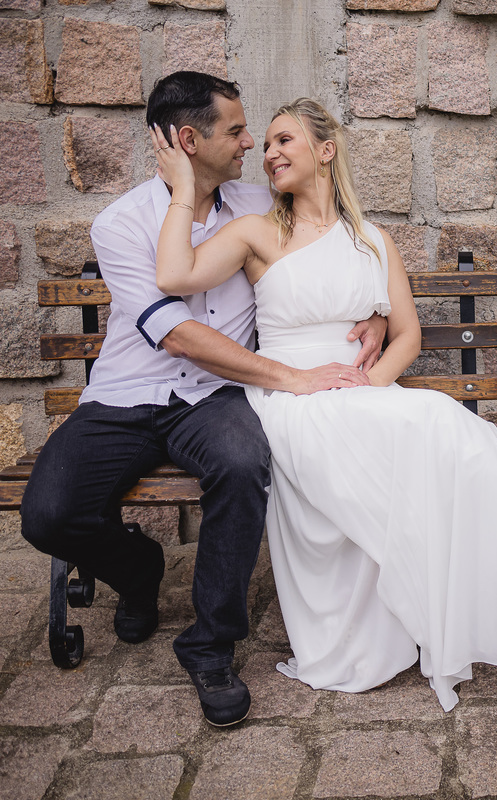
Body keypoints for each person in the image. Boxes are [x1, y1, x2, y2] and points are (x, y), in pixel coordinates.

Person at [150, 98, 497, 712]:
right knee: (450, 428)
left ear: (326, 150)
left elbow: (407, 335)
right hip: (293, 398)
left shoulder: (373, 240)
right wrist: (183, 190)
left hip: (361, 395)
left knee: (462, 440)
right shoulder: (257, 233)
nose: (271, 153)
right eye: (268, 144)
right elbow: (174, 277)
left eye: (285, 140)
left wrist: (369, 387)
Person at [21, 73, 388, 728]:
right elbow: (177, 334)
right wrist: (290, 376)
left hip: (217, 397)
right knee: (47, 515)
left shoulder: (259, 200)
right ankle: (140, 572)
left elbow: (331, 246)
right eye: (237, 131)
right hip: (126, 396)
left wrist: (376, 313)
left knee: (244, 464)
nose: (253, 144)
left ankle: (210, 645)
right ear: (190, 141)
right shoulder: (120, 224)